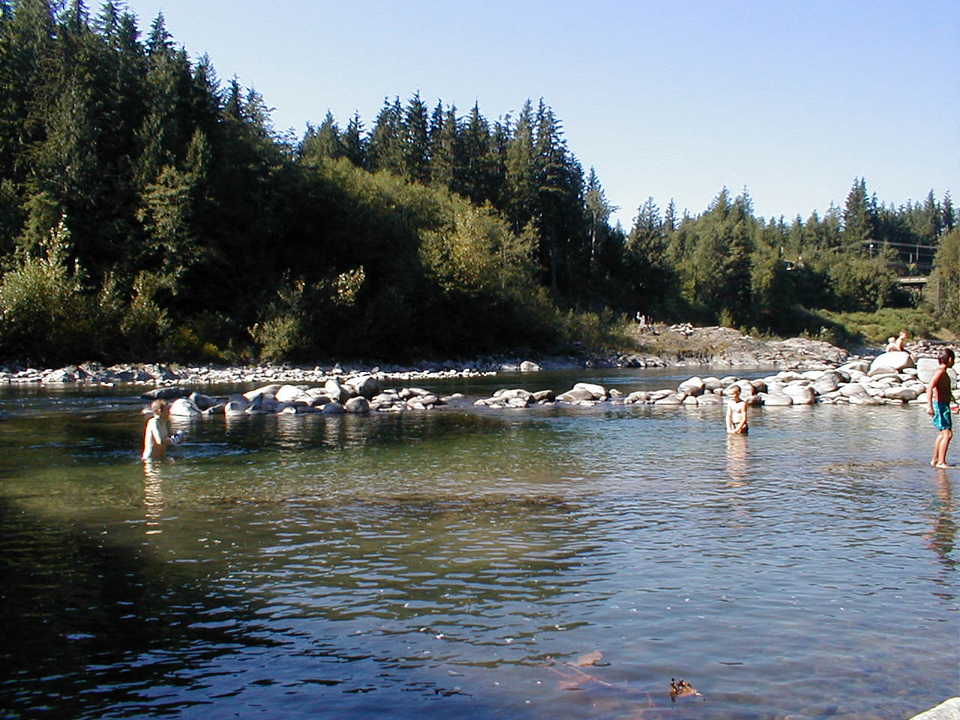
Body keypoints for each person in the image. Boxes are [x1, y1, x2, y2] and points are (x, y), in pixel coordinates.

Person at [927, 348, 959, 469]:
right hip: (940, 406)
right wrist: (929, 406)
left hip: (943, 405)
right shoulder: (940, 372)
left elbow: (945, 391)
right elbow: (930, 387)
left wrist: (954, 404)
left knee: (942, 434)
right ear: (950, 359)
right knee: (948, 434)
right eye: (953, 359)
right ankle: (941, 462)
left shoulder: (942, 371)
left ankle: (935, 460)